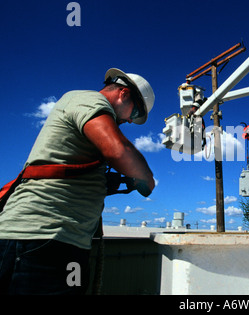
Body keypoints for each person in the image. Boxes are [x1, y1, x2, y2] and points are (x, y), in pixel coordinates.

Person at [0, 68, 156, 294]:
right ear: (124, 93)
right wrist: (147, 179)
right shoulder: (87, 99)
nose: (130, 120)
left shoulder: (91, 114)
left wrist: (101, 182)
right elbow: (118, 150)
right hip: (39, 239)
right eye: (135, 112)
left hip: (60, 243)